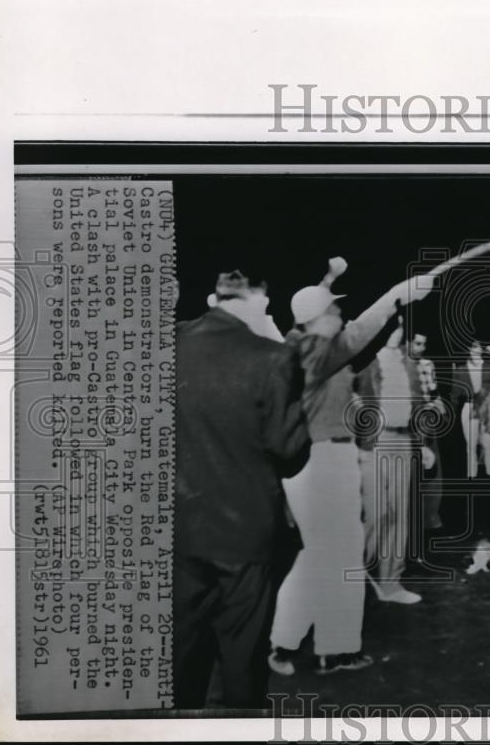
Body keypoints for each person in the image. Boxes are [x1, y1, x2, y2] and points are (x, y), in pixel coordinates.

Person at [269, 259, 429, 677]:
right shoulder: (315, 352)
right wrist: (399, 293)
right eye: (334, 310)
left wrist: (328, 279)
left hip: (324, 459)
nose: (340, 315)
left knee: (323, 555)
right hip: (323, 461)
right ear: (318, 320)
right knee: (337, 556)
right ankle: (327, 649)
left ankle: (289, 644)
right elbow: (359, 330)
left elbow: (317, 320)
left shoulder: (301, 344)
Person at [174, 270, 311, 709]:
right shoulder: (270, 357)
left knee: (181, 650)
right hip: (245, 534)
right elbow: (289, 451)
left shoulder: (169, 345)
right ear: (254, 302)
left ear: (216, 299)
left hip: (179, 530)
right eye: (266, 307)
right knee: (242, 654)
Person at [356, 324, 425, 604]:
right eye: (391, 328)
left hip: (403, 440)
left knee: (399, 514)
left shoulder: (409, 363)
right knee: (376, 515)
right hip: (376, 442)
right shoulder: (366, 362)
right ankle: (353, 576)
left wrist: (421, 444)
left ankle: (391, 583)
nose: (397, 333)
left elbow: (418, 405)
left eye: (400, 328)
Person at [405, 330, 447, 530]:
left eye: (424, 344)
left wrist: (439, 408)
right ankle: (410, 518)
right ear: (407, 343)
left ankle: (430, 516)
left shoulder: (427, 364)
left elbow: (434, 393)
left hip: (425, 420)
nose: (421, 348)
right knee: (410, 471)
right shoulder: (398, 365)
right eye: (417, 344)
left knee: (432, 468)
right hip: (404, 421)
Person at [451, 339, 490, 479]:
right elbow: (454, 395)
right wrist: (452, 413)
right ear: (468, 350)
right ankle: (471, 475)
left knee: (489, 442)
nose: (474, 350)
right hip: (469, 407)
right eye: (471, 347)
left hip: (487, 407)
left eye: (477, 347)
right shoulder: (460, 370)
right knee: (471, 444)